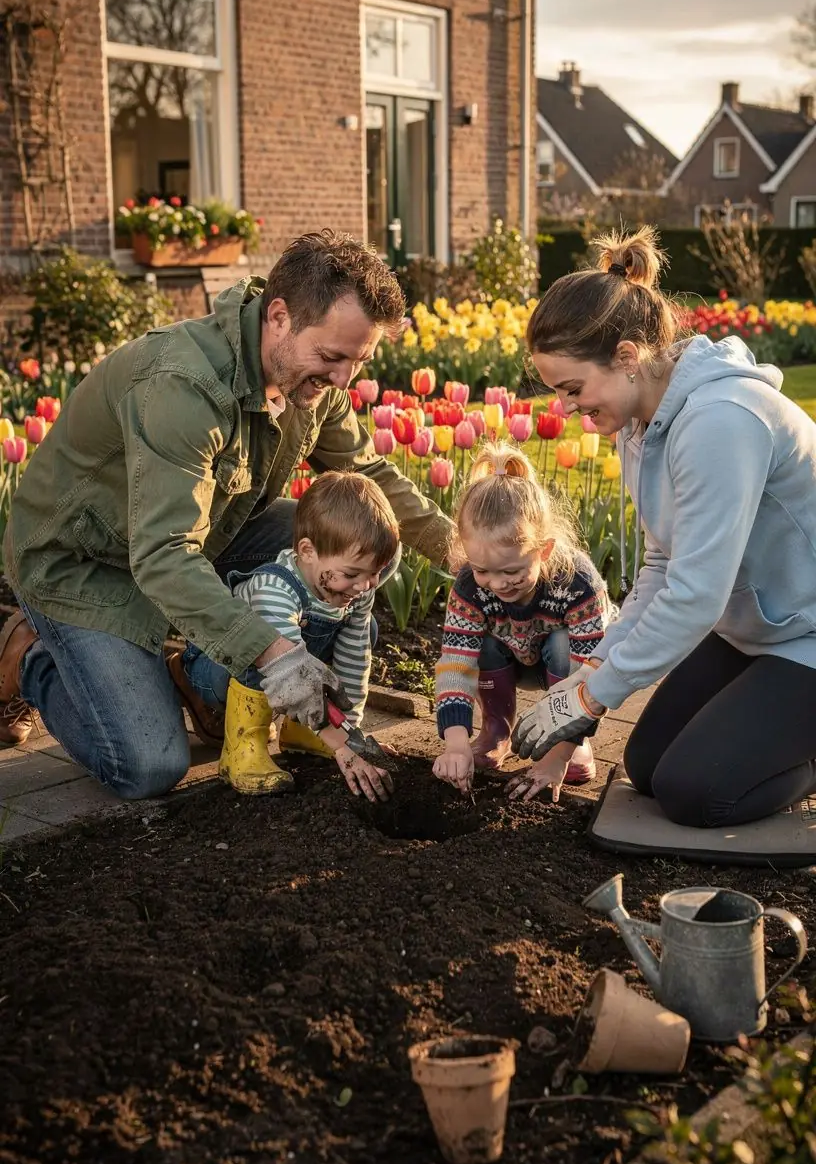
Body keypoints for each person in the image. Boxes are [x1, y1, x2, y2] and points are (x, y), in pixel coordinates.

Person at [0, 230, 451, 799]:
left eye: (357, 362)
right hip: (85, 565)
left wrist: (466, 554)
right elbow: (164, 555)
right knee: (149, 766)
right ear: (279, 317)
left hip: (198, 535)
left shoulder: (310, 379)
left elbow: (371, 475)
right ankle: (29, 656)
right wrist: (274, 654)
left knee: (346, 543)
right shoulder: (183, 388)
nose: (343, 380)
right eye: (332, 358)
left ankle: (194, 672)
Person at [514, 224, 816, 828]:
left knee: (695, 793)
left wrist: (589, 700)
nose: (565, 408)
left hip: (807, 633)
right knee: (648, 765)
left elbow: (696, 595)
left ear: (627, 358)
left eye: (572, 388)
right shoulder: (638, 422)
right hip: (758, 630)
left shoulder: (721, 420)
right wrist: (591, 676)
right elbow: (662, 565)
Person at [184, 470, 400, 801]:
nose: (365, 585)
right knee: (261, 648)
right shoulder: (275, 589)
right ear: (308, 551)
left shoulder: (358, 590)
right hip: (216, 670)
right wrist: (340, 745)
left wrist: (348, 731)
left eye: (375, 573)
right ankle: (243, 747)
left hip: (291, 673)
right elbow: (286, 672)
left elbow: (354, 660)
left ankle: (303, 732)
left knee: (364, 630)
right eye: (352, 573)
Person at [432, 443, 612, 801]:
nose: (498, 584)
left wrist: (559, 757)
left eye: (512, 571)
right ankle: (497, 729)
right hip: (506, 659)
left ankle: (568, 741)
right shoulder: (469, 588)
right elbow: (456, 664)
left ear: (543, 550)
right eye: (483, 570)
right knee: (478, 643)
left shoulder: (577, 584)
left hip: (563, 666)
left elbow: (594, 675)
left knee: (562, 643)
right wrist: (456, 744)